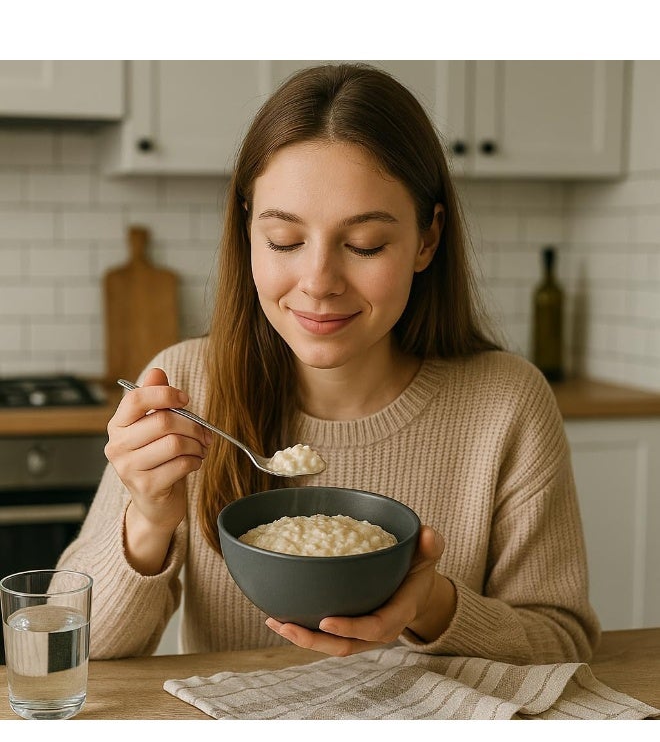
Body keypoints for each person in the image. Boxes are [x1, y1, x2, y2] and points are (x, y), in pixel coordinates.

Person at [58, 62, 601, 664]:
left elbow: (564, 645)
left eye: (364, 245)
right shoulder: (187, 387)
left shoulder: (507, 404)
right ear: (246, 231)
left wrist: (430, 605)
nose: (318, 283)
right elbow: (72, 650)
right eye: (285, 242)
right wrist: (148, 522)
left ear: (427, 239)